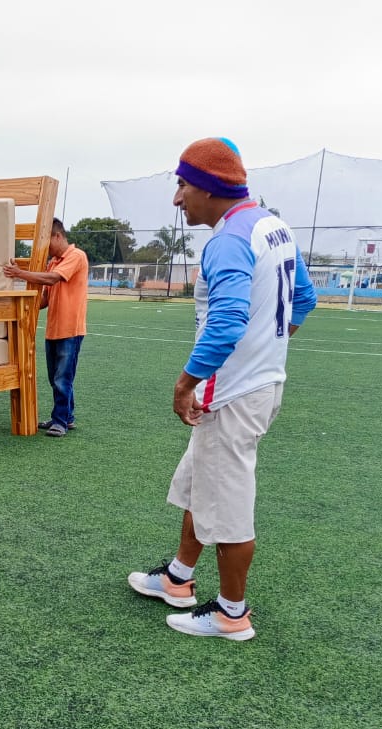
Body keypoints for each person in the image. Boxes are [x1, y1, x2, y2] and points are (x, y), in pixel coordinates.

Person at [128, 138, 317, 640]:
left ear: (208, 188)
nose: (177, 198)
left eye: (183, 185)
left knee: (228, 502)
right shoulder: (273, 225)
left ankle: (233, 614)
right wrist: (268, 349)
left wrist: (184, 383)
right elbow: (304, 299)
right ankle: (178, 579)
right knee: (200, 482)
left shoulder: (228, 239)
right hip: (258, 384)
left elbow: (228, 321)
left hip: (232, 393)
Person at [3, 218, 89, 436]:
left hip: (70, 330)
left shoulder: (76, 256)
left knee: (62, 378)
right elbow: (45, 299)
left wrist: (19, 273)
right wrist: (20, 307)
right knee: (56, 378)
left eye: (46, 242)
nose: (44, 248)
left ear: (57, 236)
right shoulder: (54, 262)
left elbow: (52, 279)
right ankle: (66, 417)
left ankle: (60, 421)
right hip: (54, 329)